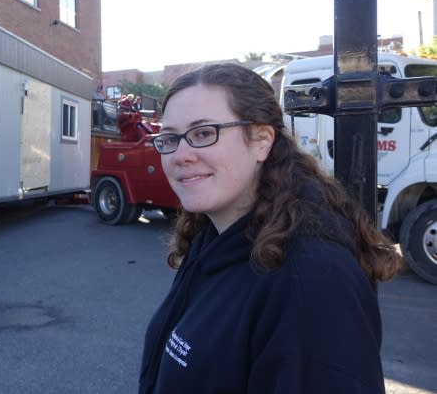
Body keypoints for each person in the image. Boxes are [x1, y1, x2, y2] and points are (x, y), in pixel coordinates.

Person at [140, 63, 401, 393]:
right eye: (170, 138)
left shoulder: (311, 280)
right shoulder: (211, 240)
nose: (180, 154)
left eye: (204, 133)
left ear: (262, 140)